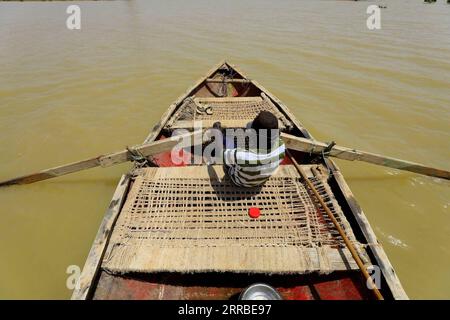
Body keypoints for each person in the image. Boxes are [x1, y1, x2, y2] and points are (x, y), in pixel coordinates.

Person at [214, 111, 285, 187]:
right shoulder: (281, 146)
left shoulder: (241, 155)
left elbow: (219, 153)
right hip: (261, 180)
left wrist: (217, 132)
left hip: (239, 182)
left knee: (227, 145)